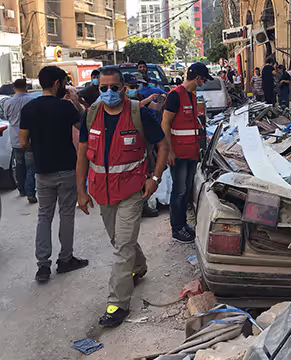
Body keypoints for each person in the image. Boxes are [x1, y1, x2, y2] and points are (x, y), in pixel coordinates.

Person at [76, 68, 169, 327]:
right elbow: (83, 154)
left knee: (123, 246)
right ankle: (139, 268)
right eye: (103, 88)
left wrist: (155, 178)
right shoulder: (91, 116)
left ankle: (117, 303)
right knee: (119, 239)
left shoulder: (141, 114)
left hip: (132, 191)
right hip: (101, 192)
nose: (108, 93)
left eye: (113, 88)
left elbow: (163, 146)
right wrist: (81, 191)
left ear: (124, 89)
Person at [19, 66, 87, 283]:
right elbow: (83, 127)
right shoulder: (65, 108)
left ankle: (43, 266)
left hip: (42, 170)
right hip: (67, 168)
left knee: (44, 216)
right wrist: (76, 103)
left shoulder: (29, 108)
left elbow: (22, 143)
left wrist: (37, 149)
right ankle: (65, 259)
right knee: (67, 214)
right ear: (58, 84)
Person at [162, 63, 212, 243]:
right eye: (204, 79)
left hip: (191, 153)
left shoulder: (192, 96)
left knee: (186, 191)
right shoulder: (176, 96)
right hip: (179, 154)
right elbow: (165, 124)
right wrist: (169, 151)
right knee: (179, 191)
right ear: (198, 78)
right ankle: (177, 228)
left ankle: (183, 225)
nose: (204, 83)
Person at [124, 73, 162, 219]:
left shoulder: (138, 97)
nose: (135, 89)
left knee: (146, 171)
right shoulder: (121, 102)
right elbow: (135, 108)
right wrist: (149, 99)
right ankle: (133, 208)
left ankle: (143, 205)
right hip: (130, 142)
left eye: (136, 86)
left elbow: (155, 108)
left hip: (146, 140)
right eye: (131, 86)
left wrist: (161, 101)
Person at [4, 78, 36, 202]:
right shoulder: (32, 100)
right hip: (29, 137)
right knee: (30, 166)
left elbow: (6, 116)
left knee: (19, 164)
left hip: (15, 138)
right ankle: (30, 191)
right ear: (26, 87)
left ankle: (21, 189)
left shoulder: (8, 102)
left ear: (13, 88)